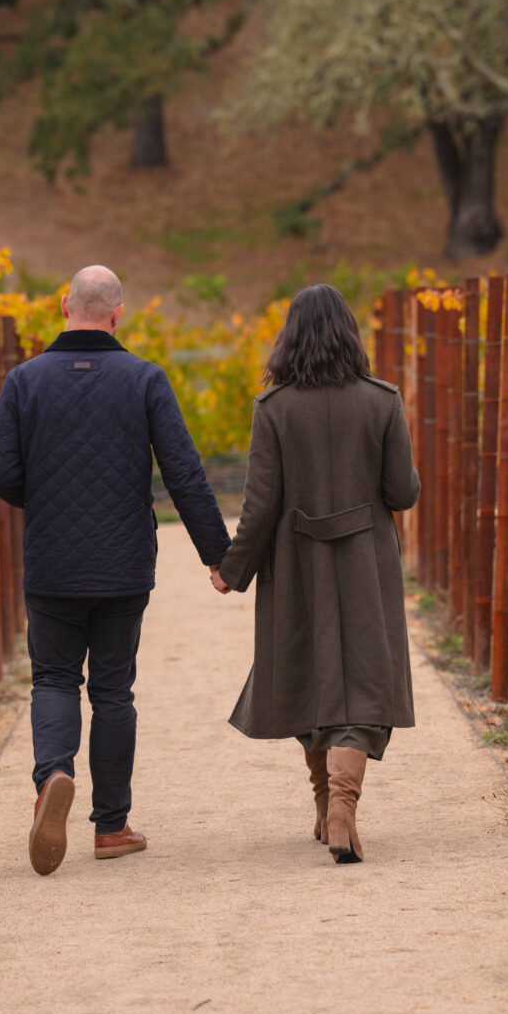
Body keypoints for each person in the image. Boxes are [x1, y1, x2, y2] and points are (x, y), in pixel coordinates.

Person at [0, 265, 231, 875]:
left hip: (52, 562)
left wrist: (44, 500)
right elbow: (183, 472)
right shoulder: (145, 379)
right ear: (119, 315)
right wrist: (219, 556)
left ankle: (52, 779)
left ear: (64, 304)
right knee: (114, 690)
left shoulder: (24, 380)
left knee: (54, 680)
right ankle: (111, 826)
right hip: (122, 565)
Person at [211, 284, 420, 864]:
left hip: (296, 563)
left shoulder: (273, 408)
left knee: (305, 671)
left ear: (290, 338)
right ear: (350, 335)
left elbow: (259, 506)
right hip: (366, 565)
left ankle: (327, 802)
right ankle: (342, 807)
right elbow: (402, 492)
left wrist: (232, 570)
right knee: (365, 681)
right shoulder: (383, 401)